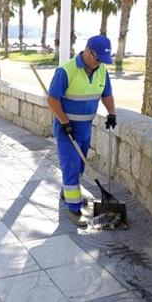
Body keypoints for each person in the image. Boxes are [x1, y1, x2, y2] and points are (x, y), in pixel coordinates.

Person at [47, 35, 117, 227]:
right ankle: (74, 208)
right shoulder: (66, 71)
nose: (99, 63)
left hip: (85, 129)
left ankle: (67, 192)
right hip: (66, 130)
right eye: (97, 58)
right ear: (87, 51)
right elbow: (52, 99)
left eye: (102, 60)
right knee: (70, 166)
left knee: (79, 166)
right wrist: (64, 121)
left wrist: (112, 113)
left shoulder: (102, 71)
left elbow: (107, 94)